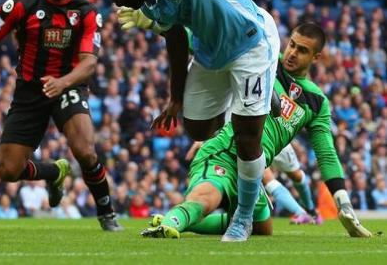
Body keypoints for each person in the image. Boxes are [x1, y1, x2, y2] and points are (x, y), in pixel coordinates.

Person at [77, 0, 280, 241]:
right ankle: (260, 97)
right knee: (198, 129)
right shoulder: (151, 3)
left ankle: (244, 217)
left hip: (249, 42)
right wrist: (175, 98)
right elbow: (175, 41)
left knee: (247, 137)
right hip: (210, 54)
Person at [140, 23, 372, 239]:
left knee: (263, 228)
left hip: (253, 168)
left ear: (316, 57)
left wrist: (344, 204)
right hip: (225, 151)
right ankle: (170, 223)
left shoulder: (317, 102)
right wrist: (159, 25)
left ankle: (183, 221)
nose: (292, 53)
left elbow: (327, 154)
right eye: (292, 44)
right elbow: (214, 44)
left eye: (302, 50)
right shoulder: (264, 58)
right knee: (206, 198)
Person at [0, 0, 122, 231]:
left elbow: (88, 64)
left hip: (68, 86)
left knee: (85, 151)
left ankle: (106, 213)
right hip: (29, 91)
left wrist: (63, 82)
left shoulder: (86, 11)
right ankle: (53, 171)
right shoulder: (21, 4)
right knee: (8, 171)